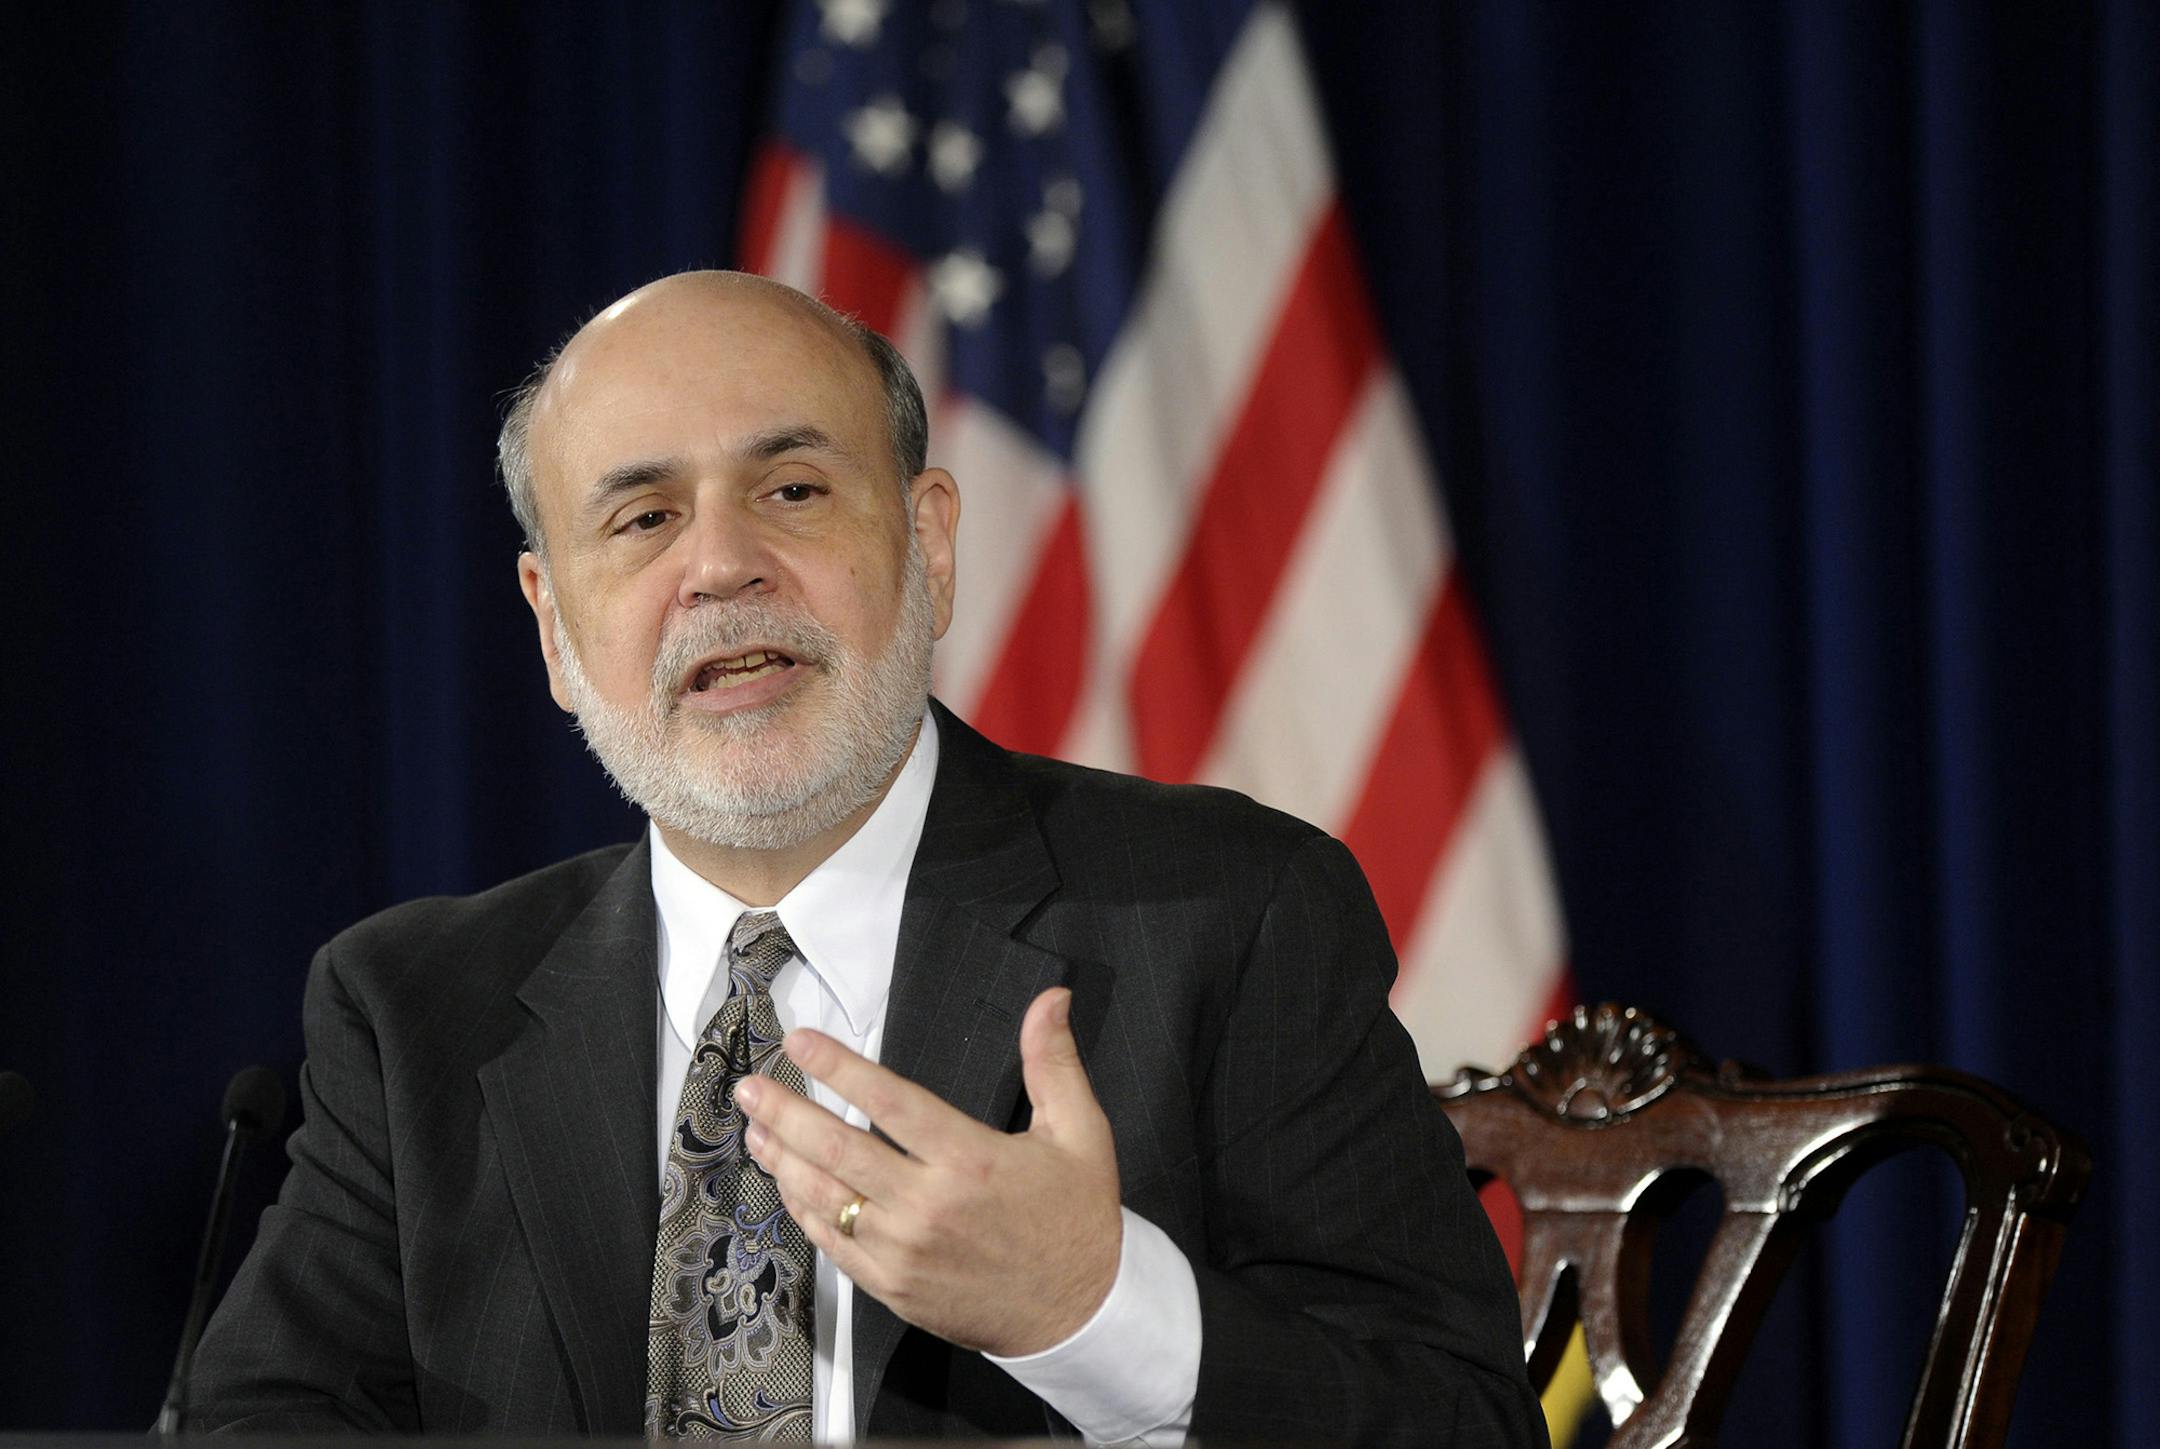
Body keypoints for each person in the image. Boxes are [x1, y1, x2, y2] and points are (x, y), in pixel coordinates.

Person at [190, 271, 1546, 1446]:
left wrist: (1094, 1308)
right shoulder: (415, 1008)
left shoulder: (1228, 914)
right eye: (643, 518)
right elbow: (263, 1422)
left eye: (791, 489)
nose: (722, 566)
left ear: (929, 544)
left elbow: (1461, 1422)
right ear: (553, 625)